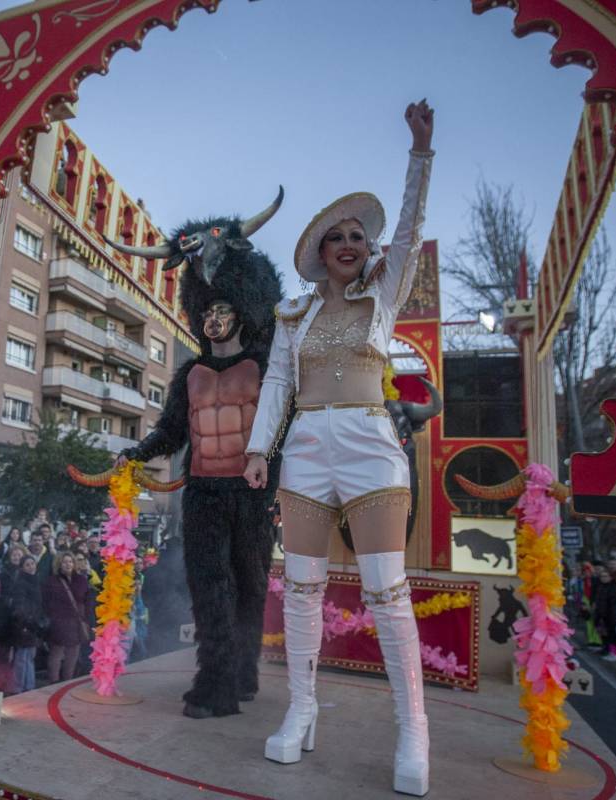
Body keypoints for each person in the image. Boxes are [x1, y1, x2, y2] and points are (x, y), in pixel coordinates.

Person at [241, 100, 434, 793]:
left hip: (371, 443)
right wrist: (261, 447)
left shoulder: (382, 298)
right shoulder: (294, 315)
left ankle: (413, 732)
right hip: (306, 453)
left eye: (359, 235)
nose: (352, 243)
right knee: (299, 590)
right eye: (338, 238)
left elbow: (409, 230)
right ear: (321, 254)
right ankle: (300, 712)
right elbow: (277, 380)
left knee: (387, 590)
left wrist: (419, 155)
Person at [107, 184, 285, 719]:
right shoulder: (190, 373)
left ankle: (242, 672)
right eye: (207, 314)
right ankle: (216, 686)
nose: (214, 321)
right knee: (210, 588)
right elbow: (171, 434)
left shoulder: (268, 366)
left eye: (224, 311)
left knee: (250, 587)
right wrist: (135, 454)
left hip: (253, 495)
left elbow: (281, 426)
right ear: (198, 317)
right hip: (203, 493)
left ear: (240, 313)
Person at [42, 553, 94, 683]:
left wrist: (88, 620)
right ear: (59, 564)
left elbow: (88, 601)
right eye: (65, 562)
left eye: (70, 561)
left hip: (77, 622)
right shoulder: (52, 581)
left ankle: (67, 681)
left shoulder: (81, 580)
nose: (68, 564)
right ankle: (53, 682)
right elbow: (47, 602)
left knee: (73, 654)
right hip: (59, 622)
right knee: (56, 654)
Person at [7, 555, 44, 694]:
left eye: (32, 563)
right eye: (27, 564)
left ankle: (29, 685)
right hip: (23, 625)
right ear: (22, 567)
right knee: (22, 658)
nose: (31, 566)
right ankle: (18, 687)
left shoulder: (36, 581)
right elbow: (19, 605)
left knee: (29, 656)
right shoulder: (21, 583)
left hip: (33, 624)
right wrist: (27, 620)